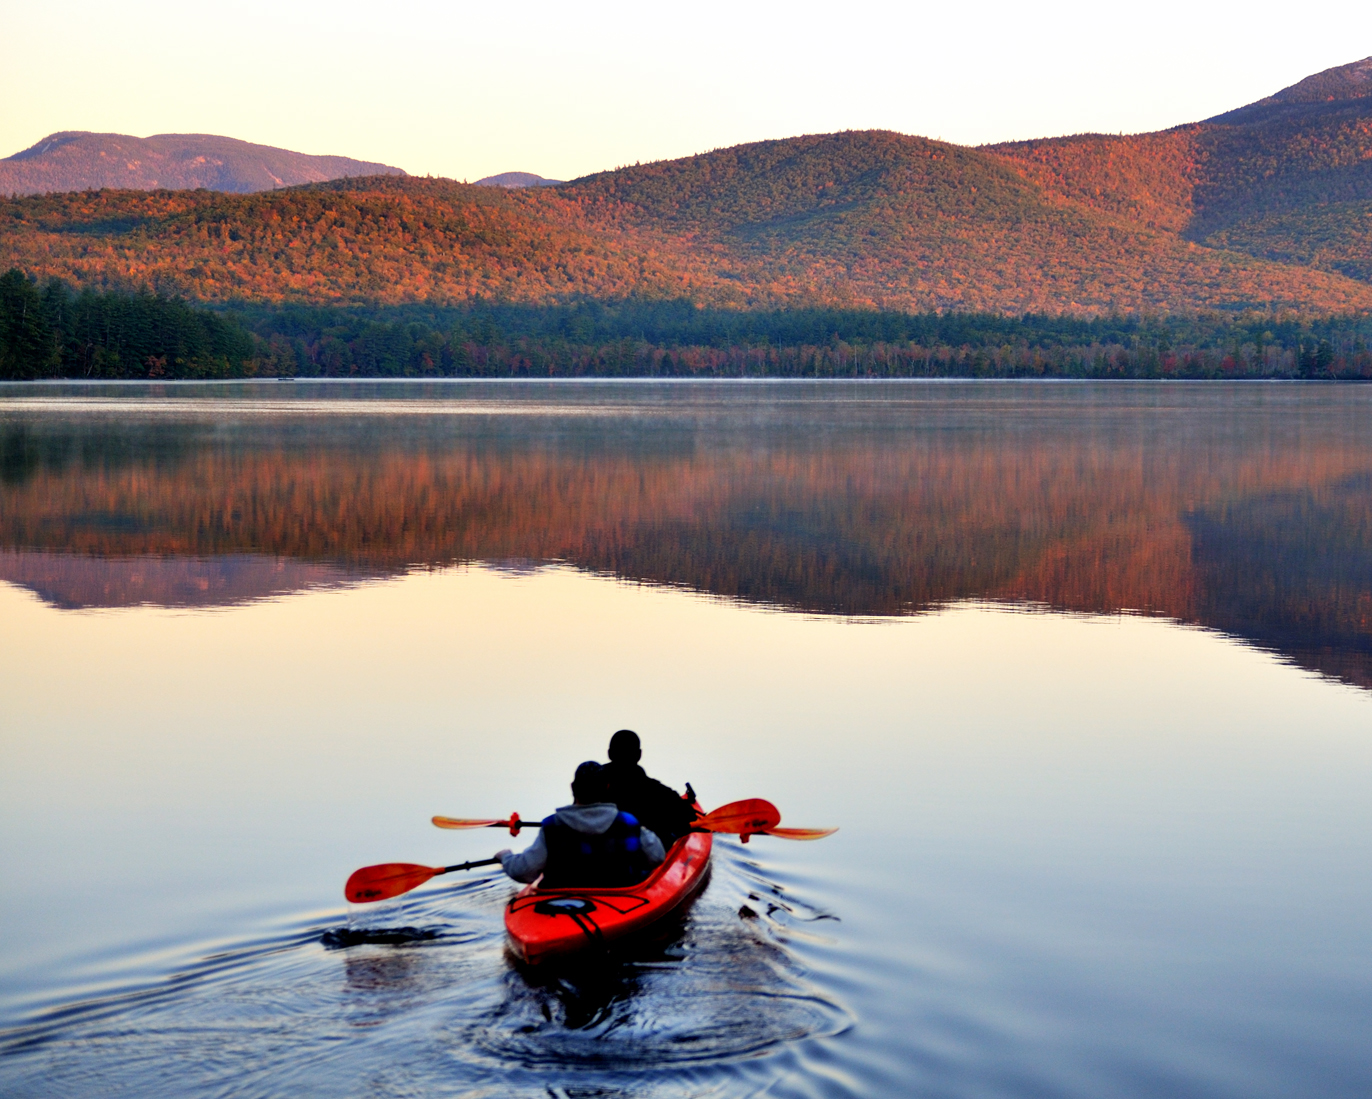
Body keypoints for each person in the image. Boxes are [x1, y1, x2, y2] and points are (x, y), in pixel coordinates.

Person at [497, 761, 665, 888]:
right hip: (621, 896)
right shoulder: (628, 822)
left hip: (561, 899)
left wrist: (505, 857)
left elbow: (524, 872)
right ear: (606, 788)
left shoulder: (552, 825)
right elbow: (657, 857)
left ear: (573, 788)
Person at [602, 729, 699, 847]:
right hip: (644, 859)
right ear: (638, 755)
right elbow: (689, 816)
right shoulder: (657, 792)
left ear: (609, 754)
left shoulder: (588, 791)